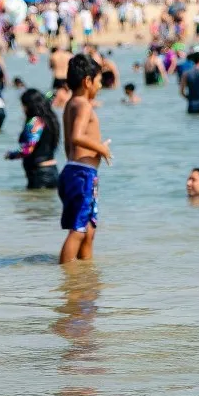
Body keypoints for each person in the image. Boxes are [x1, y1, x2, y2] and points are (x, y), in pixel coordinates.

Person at [59, 54, 111, 264]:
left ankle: (84, 274)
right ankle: (66, 276)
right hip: (82, 174)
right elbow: (77, 137)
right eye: (98, 81)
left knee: (89, 228)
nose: (100, 86)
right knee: (79, 230)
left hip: (75, 171)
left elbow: (68, 144)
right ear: (87, 81)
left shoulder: (70, 104)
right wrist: (102, 149)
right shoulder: (84, 105)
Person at [5, 89, 60, 189]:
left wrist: (11, 155)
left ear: (29, 105)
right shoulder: (50, 119)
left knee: (33, 204)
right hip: (52, 171)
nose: (23, 109)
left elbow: (28, 149)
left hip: (40, 174)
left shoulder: (35, 122)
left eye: (23, 105)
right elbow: (50, 95)